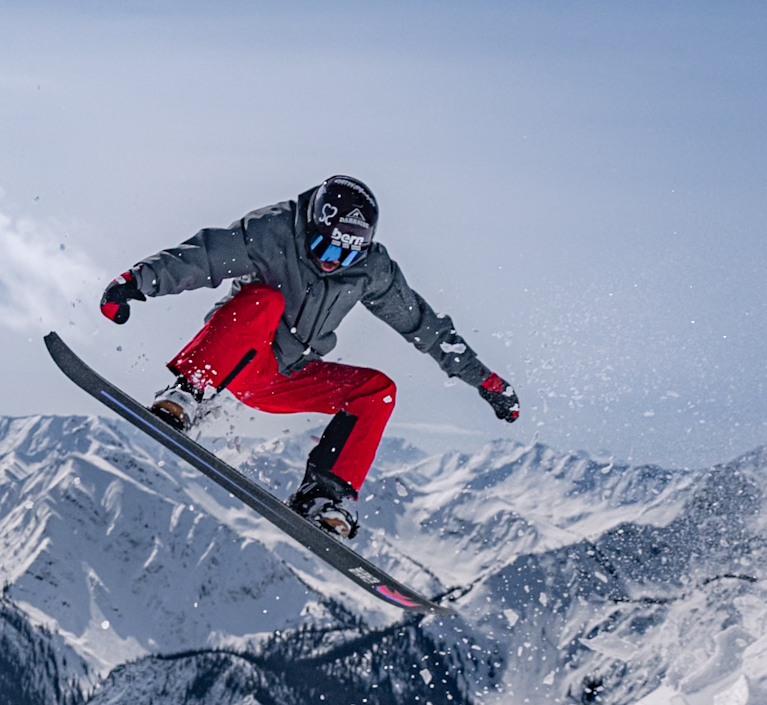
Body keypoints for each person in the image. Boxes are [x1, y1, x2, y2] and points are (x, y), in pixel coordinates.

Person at [98, 175, 519, 540]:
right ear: (312, 225)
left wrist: (485, 380)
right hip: (238, 356)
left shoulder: (371, 269)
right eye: (325, 247)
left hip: (288, 376)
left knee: (377, 392)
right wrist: (136, 281)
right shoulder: (272, 230)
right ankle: (186, 395)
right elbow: (203, 256)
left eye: (346, 255)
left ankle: (325, 495)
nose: (332, 261)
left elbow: (424, 326)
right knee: (263, 300)